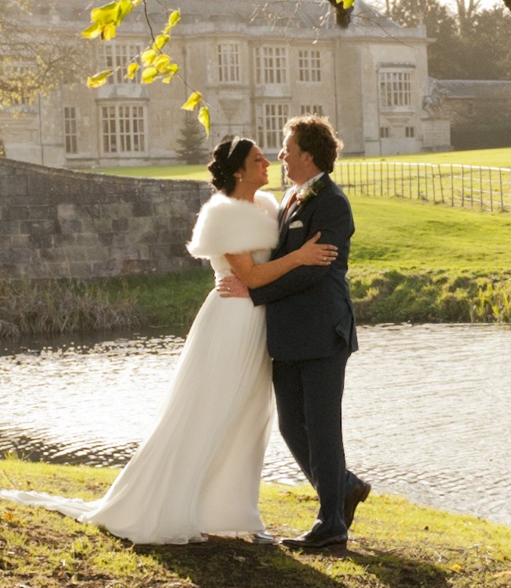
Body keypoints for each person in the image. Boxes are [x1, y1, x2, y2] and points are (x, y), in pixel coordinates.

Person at [17, 136, 333, 543]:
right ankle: (172, 505)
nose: (267, 162)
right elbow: (250, 277)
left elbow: (261, 275)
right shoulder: (222, 215)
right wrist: (300, 257)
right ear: (239, 170)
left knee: (248, 417)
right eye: (258, 159)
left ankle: (231, 513)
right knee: (210, 412)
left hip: (259, 325)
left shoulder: (269, 208)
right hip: (230, 321)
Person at [217, 115, 368, 551]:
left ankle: (331, 523)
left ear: (307, 154)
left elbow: (314, 270)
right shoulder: (288, 198)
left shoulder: (333, 204)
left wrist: (254, 289)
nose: (280, 155)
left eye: (286, 148)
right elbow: (293, 259)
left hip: (322, 330)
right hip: (286, 333)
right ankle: (344, 488)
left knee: (322, 427)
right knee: (290, 426)